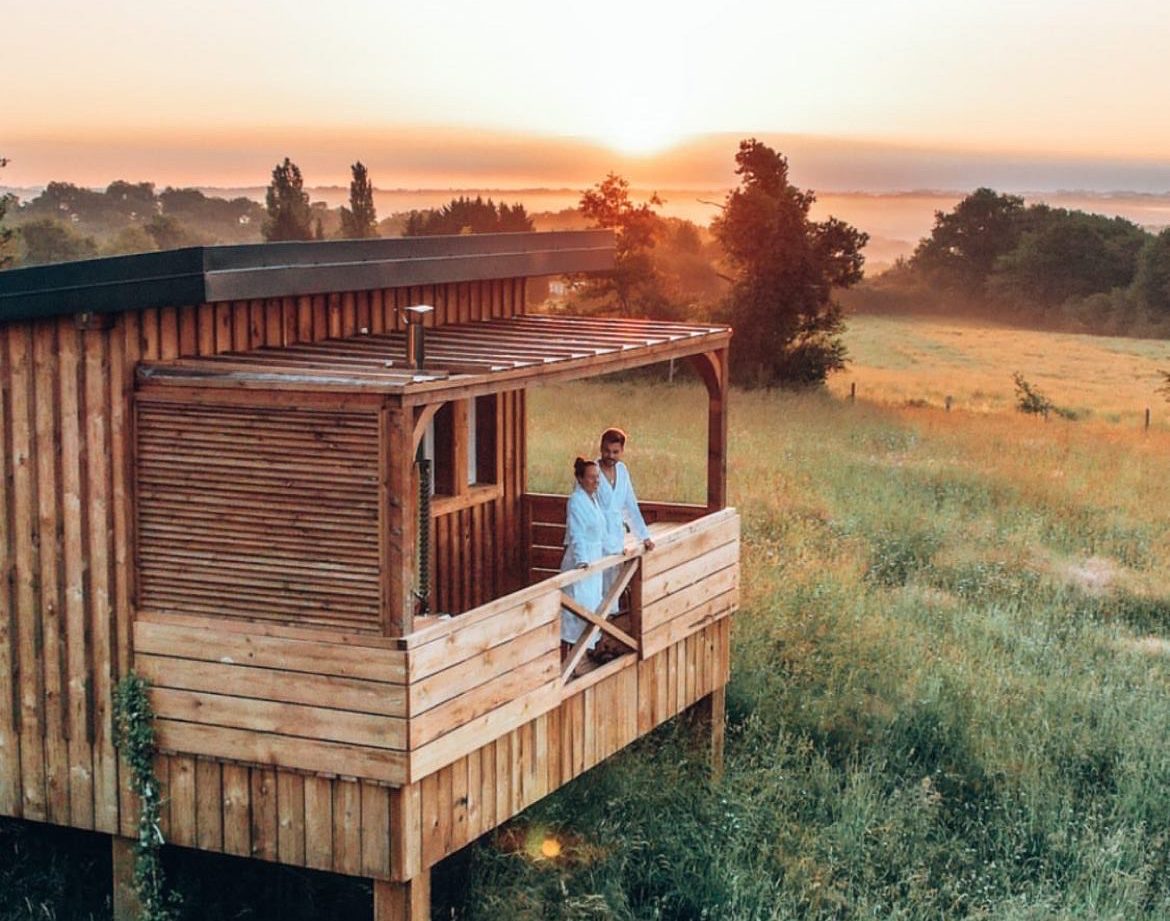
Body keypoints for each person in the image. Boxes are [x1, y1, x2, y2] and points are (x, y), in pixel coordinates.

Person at [596, 428, 654, 615]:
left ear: (622, 451)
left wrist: (643, 536)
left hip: (615, 538)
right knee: (593, 591)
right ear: (600, 448)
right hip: (595, 538)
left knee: (611, 589)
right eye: (606, 451)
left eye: (615, 452)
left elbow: (630, 505)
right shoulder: (592, 472)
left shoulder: (622, 470)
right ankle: (592, 640)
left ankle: (606, 636)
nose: (610, 456)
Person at [559, 457, 605, 652]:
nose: (596, 482)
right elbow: (576, 533)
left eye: (597, 478)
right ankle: (570, 660)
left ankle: (586, 654)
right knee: (576, 609)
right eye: (591, 478)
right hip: (582, 558)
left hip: (596, 559)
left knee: (593, 607)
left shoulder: (593, 500)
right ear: (580, 479)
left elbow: (600, 527)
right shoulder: (576, 501)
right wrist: (581, 561)